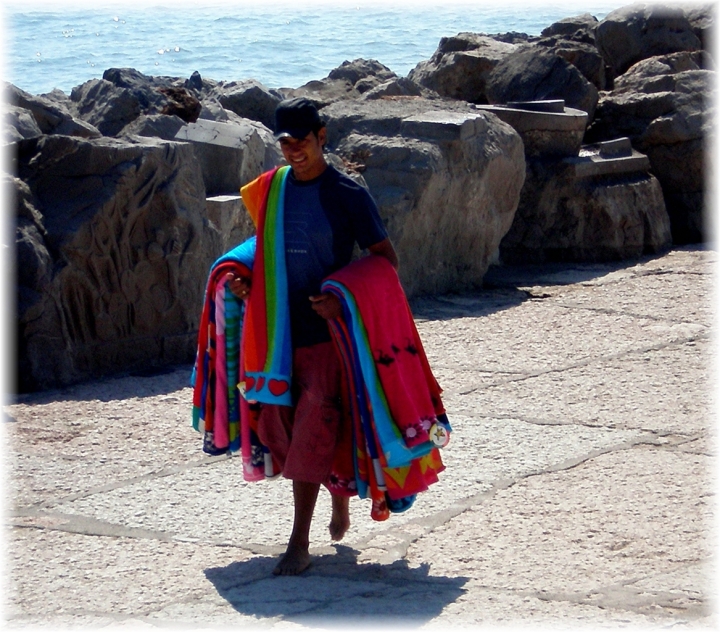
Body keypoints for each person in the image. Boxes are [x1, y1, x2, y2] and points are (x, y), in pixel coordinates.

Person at [227, 97, 398, 576]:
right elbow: (268, 246)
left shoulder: (347, 194)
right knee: (279, 426)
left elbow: (385, 260)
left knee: (312, 427)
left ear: (322, 136)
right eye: (284, 143)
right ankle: (337, 493)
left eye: (301, 142)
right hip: (278, 333)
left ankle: (298, 543)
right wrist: (242, 276)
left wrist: (342, 296)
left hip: (327, 336)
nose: (292, 151)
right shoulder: (273, 189)